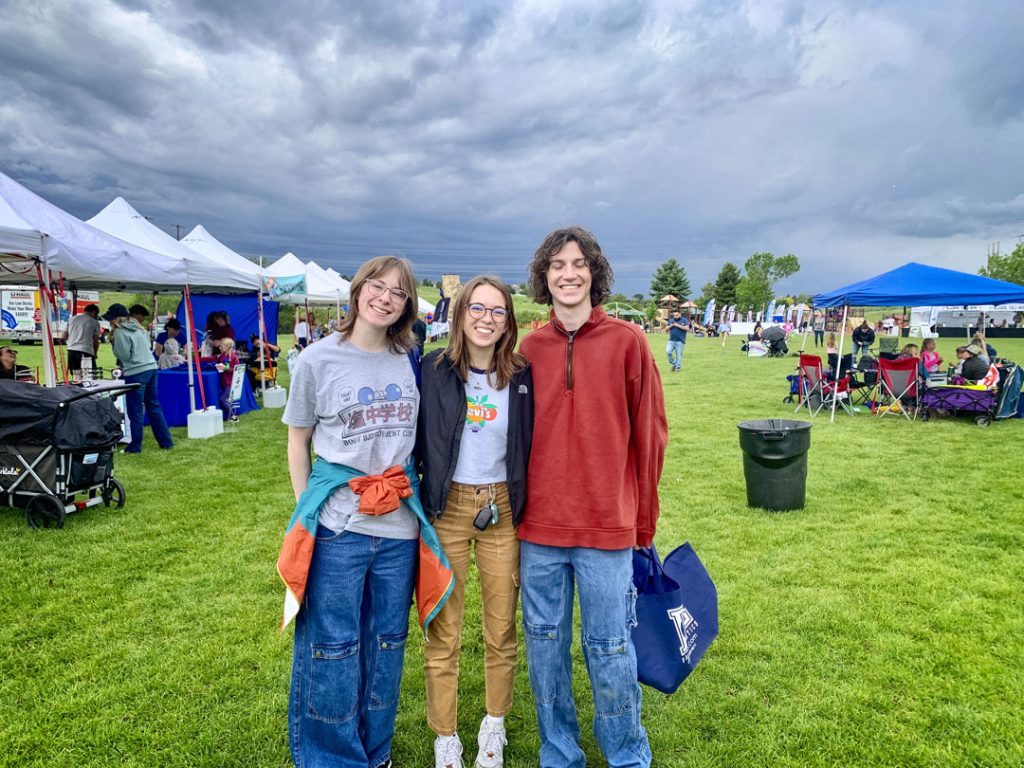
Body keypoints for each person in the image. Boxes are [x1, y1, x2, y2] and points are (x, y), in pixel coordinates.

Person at [518, 226, 667, 768]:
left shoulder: (628, 341)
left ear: (594, 272)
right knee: (544, 651)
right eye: (557, 265)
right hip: (538, 530)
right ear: (544, 276)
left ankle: (626, 754)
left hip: (607, 527)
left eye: (578, 263)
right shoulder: (528, 349)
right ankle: (559, 753)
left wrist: (641, 522)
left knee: (609, 650)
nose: (568, 273)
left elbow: (650, 435)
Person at [280, 256, 422, 768]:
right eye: (377, 287)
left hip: (400, 528)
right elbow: (298, 441)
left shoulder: (408, 358)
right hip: (340, 527)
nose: (385, 298)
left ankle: (375, 749)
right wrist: (307, 512)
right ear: (358, 290)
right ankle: (331, 756)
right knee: (332, 644)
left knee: (387, 642)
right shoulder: (316, 360)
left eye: (398, 293)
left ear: (407, 306)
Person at [418, 276, 534, 768]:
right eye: (477, 309)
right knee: (443, 629)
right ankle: (445, 736)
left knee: (500, 628)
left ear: (509, 321)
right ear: (460, 312)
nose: (487, 319)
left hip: (501, 510)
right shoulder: (432, 369)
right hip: (447, 508)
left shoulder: (524, 376)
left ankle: (494, 724)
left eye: (498, 311)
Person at [105, 303, 173, 453]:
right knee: (153, 406)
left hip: (136, 372)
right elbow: (148, 347)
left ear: (116, 319)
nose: (109, 322)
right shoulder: (139, 329)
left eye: (110, 319)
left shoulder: (119, 333)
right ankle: (166, 442)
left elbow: (124, 355)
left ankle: (135, 446)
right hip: (151, 368)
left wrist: (113, 344)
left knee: (135, 410)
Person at [66, 304, 101, 374]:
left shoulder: (71, 319)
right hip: (85, 351)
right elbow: (95, 341)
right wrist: (95, 354)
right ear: (94, 312)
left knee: (76, 375)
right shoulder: (94, 322)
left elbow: (64, 335)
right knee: (89, 375)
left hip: (71, 350)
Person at [214, 337, 240, 420]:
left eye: (221, 346)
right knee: (223, 399)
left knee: (222, 400)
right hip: (223, 382)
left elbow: (236, 370)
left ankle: (233, 416)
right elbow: (217, 362)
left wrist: (226, 368)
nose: (220, 348)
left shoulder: (233, 357)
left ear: (227, 347)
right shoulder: (221, 356)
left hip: (230, 382)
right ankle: (229, 415)